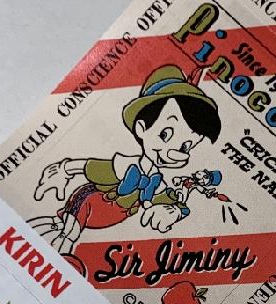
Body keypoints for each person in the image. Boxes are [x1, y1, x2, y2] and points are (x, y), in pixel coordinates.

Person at [29, 64, 222, 274]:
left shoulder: (156, 180)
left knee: (65, 232)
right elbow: (92, 168)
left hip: (112, 216)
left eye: (186, 146)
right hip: (91, 203)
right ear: (142, 128)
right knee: (68, 234)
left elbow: (170, 200)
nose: (175, 151)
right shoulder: (126, 165)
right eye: (165, 134)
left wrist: (174, 211)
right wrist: (63, 170)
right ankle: (57, 265)